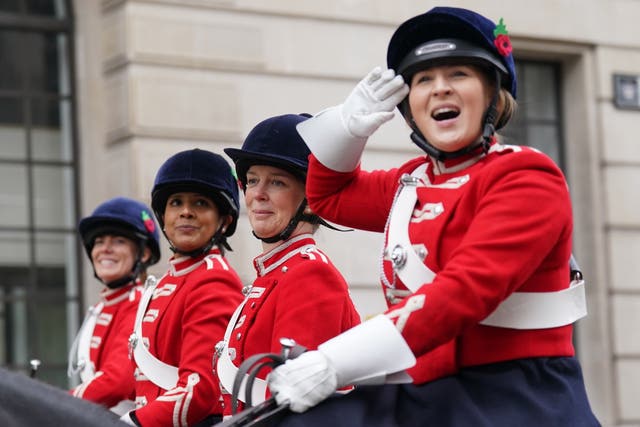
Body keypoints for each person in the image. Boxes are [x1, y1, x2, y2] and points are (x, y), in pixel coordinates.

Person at [266, 6, 600, 426]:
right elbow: (329, 197)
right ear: (410, 107)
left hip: (515, 397)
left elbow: (465, 290)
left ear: (493, 96)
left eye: (458, 75)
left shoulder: (527, 176)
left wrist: (335, 360)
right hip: (428, 393)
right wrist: (347, 129)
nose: (440, 89)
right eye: (424, 80)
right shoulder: (410, 182)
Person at [218, 113, 361, 415]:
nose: (257, 194)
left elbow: (291, 408)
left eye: (277, 182)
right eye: (253, 180)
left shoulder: (309, 274)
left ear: (310, 200)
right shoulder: (273, 274)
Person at [120, 149, 244, 427]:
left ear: (224, 220)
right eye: (176, 202)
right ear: (164, 216)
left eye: (200, 203)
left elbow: (199, 389)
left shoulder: (214, 280)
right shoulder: (164, 283)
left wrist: (131, 423)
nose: (185, 212)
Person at [69, 196, 161, 415]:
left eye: (119, 241)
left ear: (144, 253)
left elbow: (117, 383)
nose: (105, 249)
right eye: (99, 241)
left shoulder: (142, 304)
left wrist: (53, 403)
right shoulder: (101, 308)